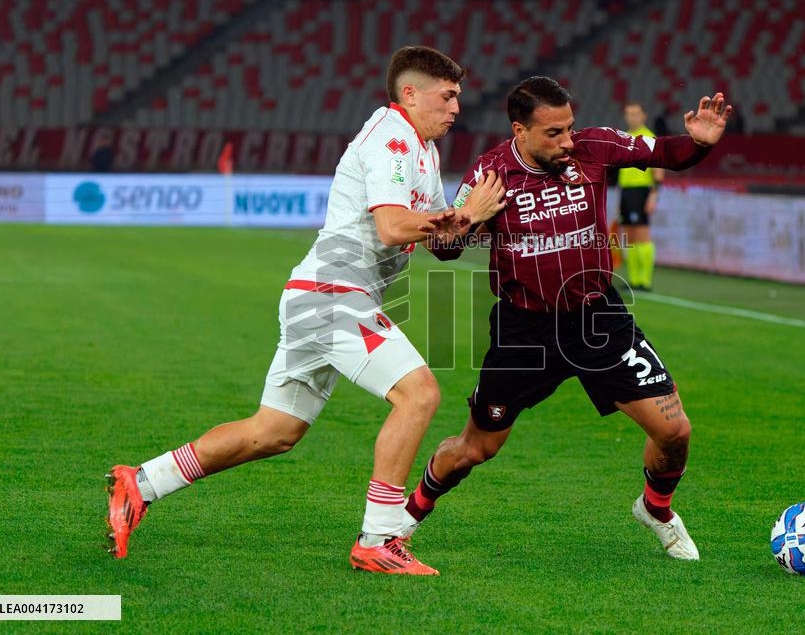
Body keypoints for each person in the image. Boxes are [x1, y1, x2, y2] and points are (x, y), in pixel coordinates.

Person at [104, 46, 506, 575]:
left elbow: (441, 243)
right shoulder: (390, 136)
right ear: (411, 93)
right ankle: (379, 539)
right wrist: (459, 213)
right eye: (448, 96)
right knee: (419, 394)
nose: (457, 108)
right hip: (333, 295)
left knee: (273, 431)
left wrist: (471, 221)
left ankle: (144, 481)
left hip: (322, 296)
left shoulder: (424, 152)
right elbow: (392, 226)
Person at [401, 76, 730, 562]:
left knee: (674, 431)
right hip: (524, 332)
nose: (567, 141)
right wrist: (467, 217)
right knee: (476, 448)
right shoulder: (491, 175)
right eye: (553, 132)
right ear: (520, 130)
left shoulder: (594, 148)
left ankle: (655, 510)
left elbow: (664, 153)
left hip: (597, 320)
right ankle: (403, 519)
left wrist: (698, 145)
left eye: (569, 127)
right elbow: (444, 249)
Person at [614, 101, 664, 291]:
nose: (631, 117)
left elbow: (658, 171)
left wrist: (653, 196)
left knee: (642, 235)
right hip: (626, 192)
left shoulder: (649, 138)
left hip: (641, 190)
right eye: (628, 113)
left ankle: (645, 281)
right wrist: (620, 199)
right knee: (629, 236)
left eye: (635, 113)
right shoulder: (624, 138)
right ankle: (634, 280)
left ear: (644, 116)